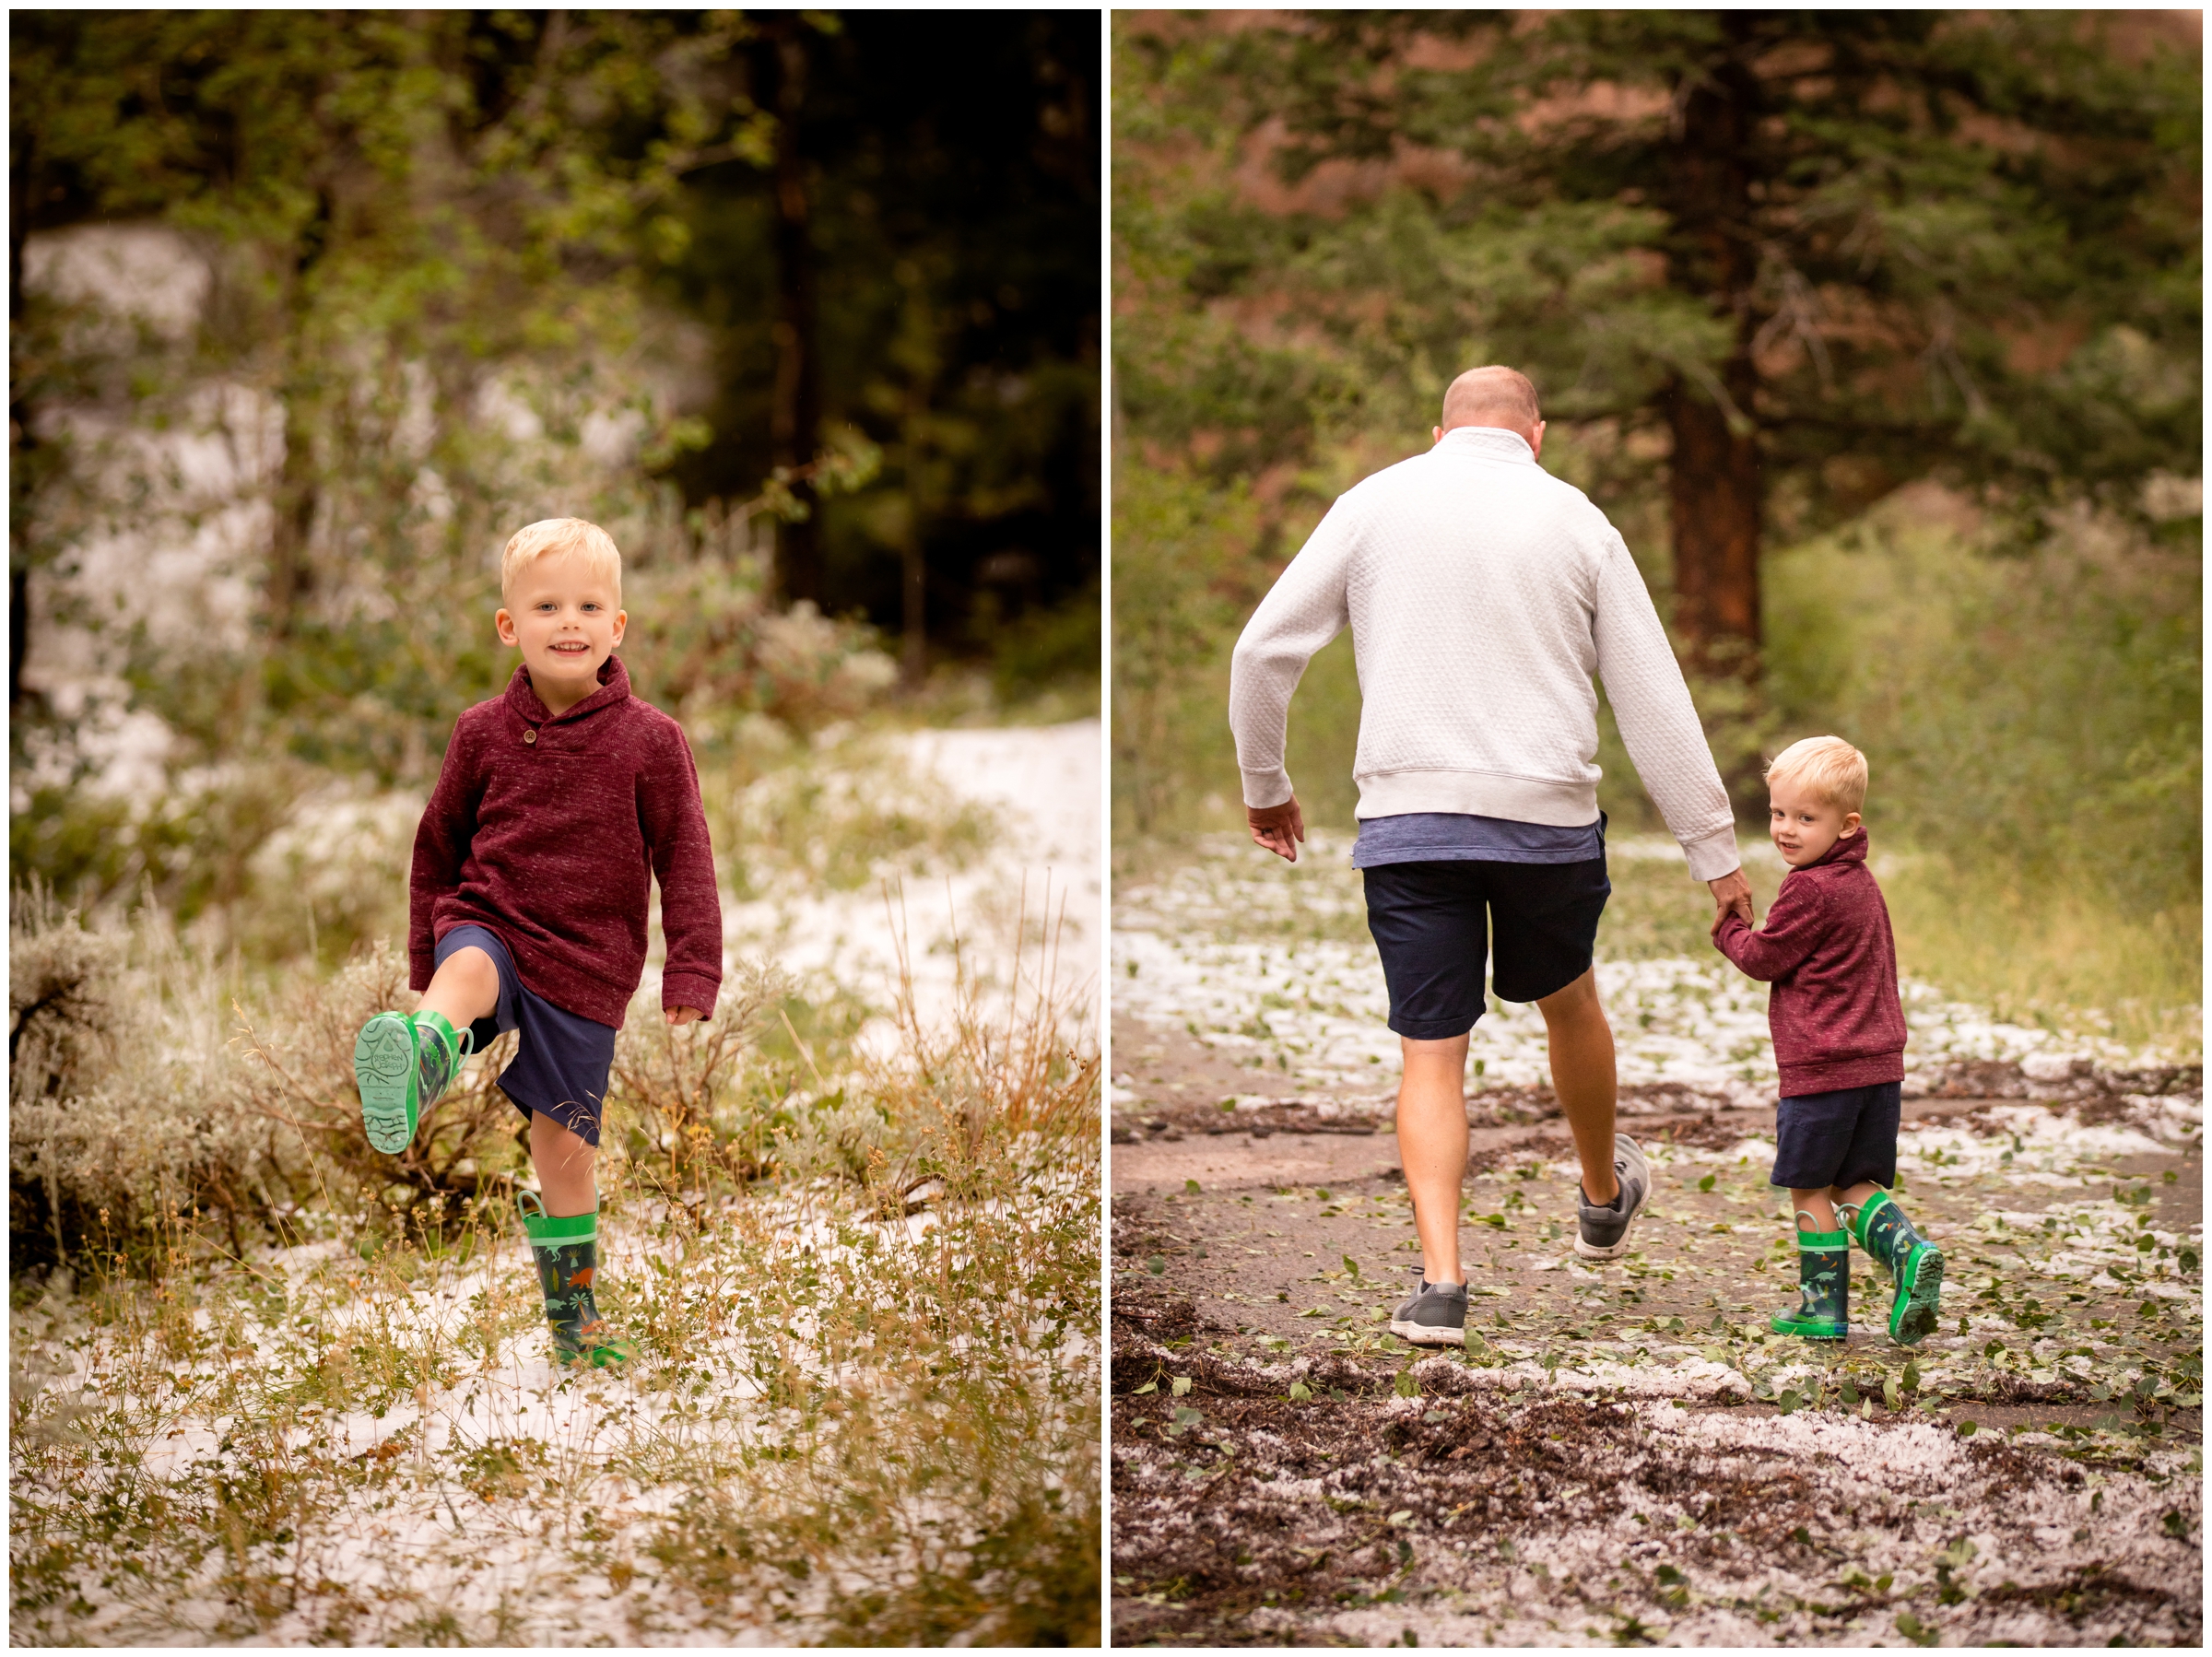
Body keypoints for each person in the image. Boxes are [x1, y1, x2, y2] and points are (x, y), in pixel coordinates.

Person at [1229, 365, 1752, 1349]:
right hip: (1546, 826)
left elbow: (1261, 653)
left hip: (1411, 819)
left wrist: (1267, 784)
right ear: (1536, 436)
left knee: (1432, 1053)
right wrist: (1713, 853)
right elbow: (1653, 698)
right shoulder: (1578, 521)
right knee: (1570, 1000)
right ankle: (1602, 1194)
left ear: (1439, 433)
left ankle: (1441, 1285)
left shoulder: (1374, 502)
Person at [352, 517, 723, 1369]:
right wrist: (425, 958)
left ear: (618, 627)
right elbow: (437, 845)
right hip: (494, 916)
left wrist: (692, 968)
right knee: (470, 965)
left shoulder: (651, 742)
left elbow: (686, 856)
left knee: (566, 1149)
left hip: (588, 964)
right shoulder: (480, 731)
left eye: (590, 605)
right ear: (509, 626)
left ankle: (576, 1326)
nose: (570, 621)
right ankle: (421, 1053)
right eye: (547, 604)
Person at [1712, 734, 1941, 1345]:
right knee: (1855, 1184)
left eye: (1805, 818)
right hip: (1878, 1069)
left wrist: (1730, 930)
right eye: (1778, 813)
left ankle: (1824, 1309)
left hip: (1823, 1070)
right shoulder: (1861, 883)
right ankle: (1910, 1253)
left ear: (1847, 824)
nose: (1786, 829)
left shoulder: (1810, 889)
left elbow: (1766, 958)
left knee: (1811, 1188)